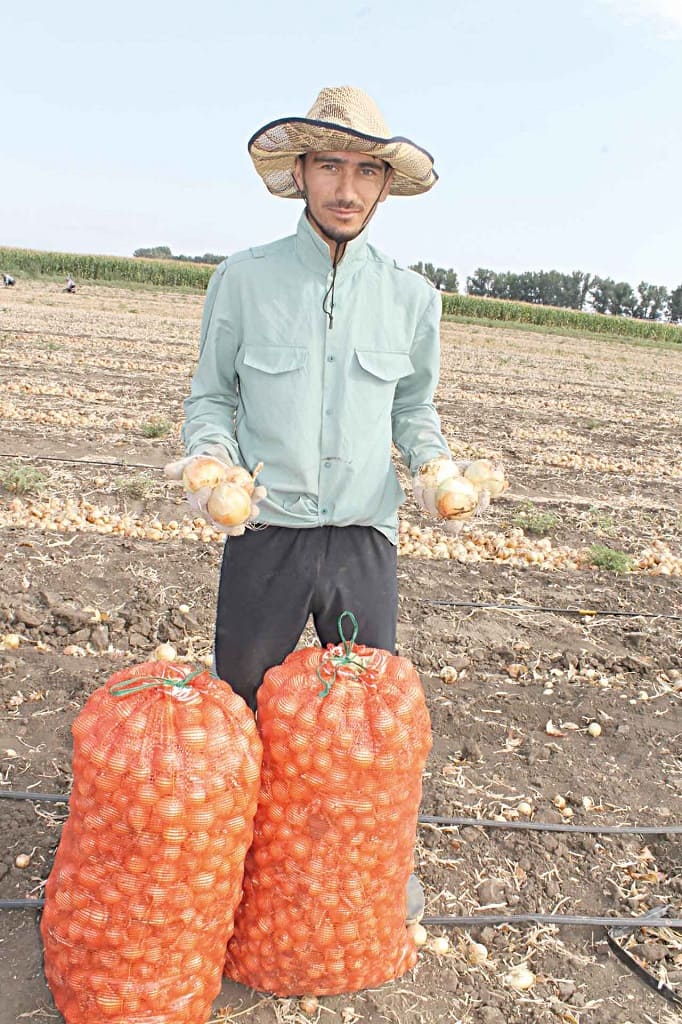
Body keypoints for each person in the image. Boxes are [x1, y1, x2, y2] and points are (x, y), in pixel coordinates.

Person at [168, 86, 488, 919]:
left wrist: (437, 470)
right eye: (330, 166)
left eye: (365, 171)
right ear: (301, 174)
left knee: (362, 720)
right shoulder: (244, 280)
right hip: (266, 530)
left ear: (384, 186)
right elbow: (212, 397)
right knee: (240, 710)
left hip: (362, 540)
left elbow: (415, 410)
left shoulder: (415, 299)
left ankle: (364, 876)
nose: (346, 187)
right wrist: (214, 462)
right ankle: (230, 877)